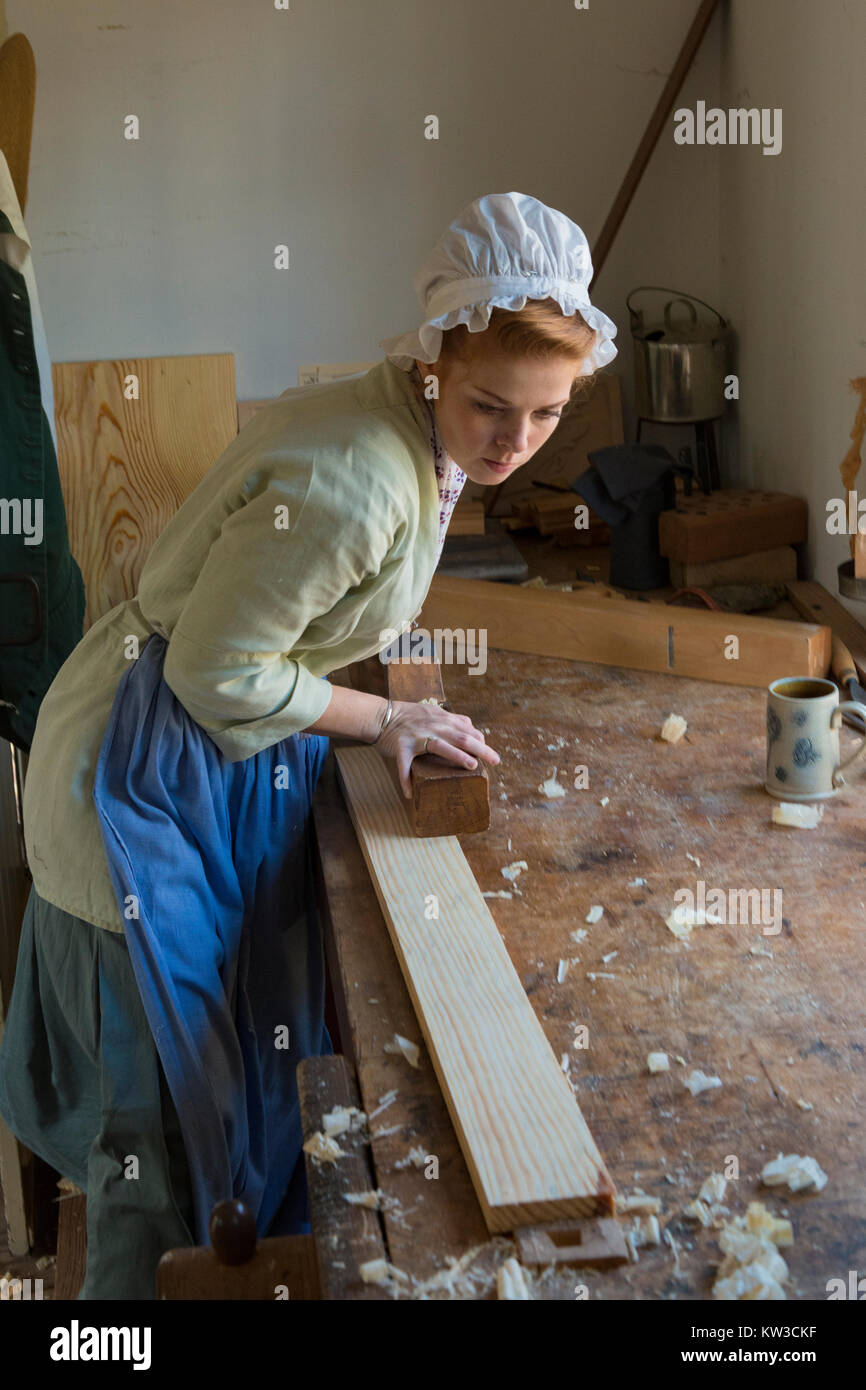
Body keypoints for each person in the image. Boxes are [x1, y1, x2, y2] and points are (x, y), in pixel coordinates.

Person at [0, 191, 617, 1299]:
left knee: (218, 1104)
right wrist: (385, 716)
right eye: (489, 406)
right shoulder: (361, 478)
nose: (514, 443)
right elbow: (214, 674)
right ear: (432, 357)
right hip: (137, 778)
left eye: (545, 414)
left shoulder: (392, 419)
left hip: (189, 750)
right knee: (154, 1148)